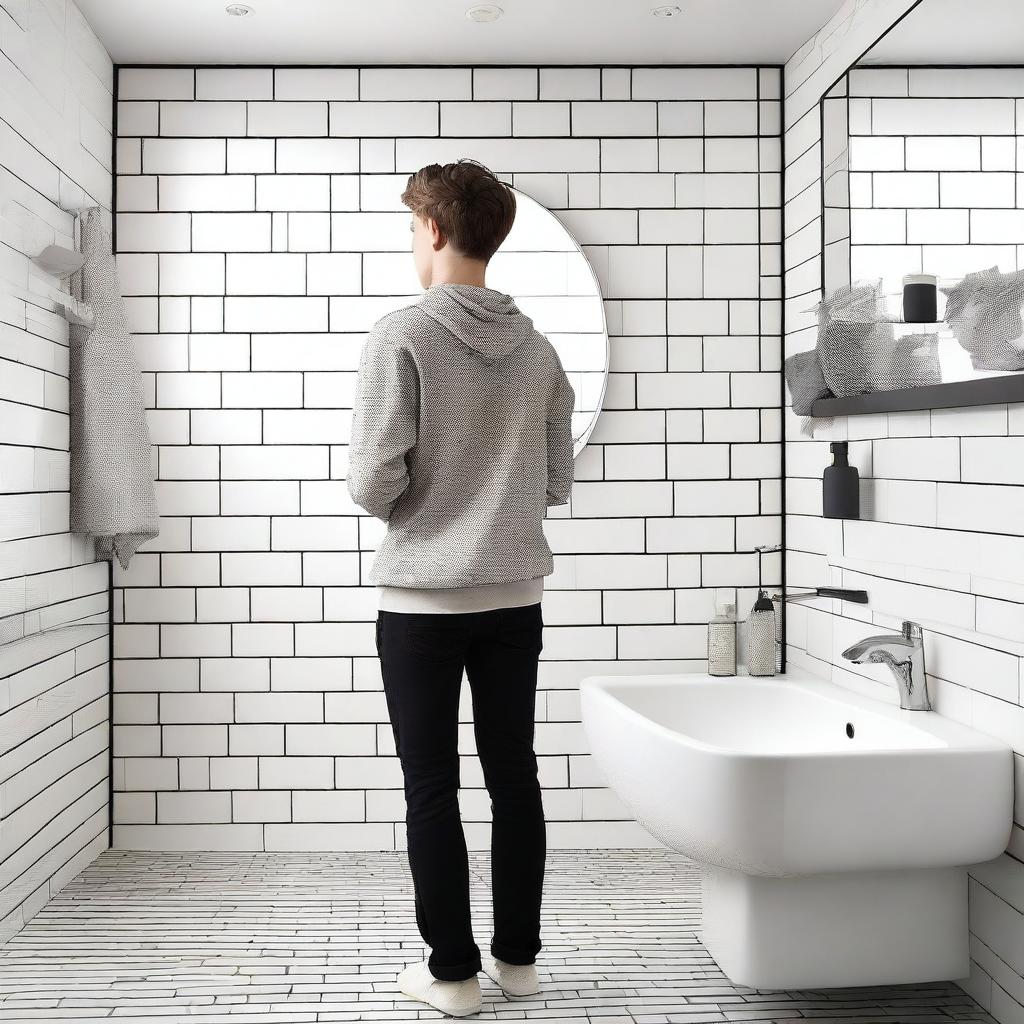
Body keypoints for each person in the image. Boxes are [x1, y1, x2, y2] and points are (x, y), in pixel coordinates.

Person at [346, 158, 575, 1018]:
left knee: (431, 787)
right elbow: (557, 478)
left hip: (421, 606)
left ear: (435, 230)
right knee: (514, 777)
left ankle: (452, 977)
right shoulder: (540, 347)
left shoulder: (401, 335)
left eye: (413, 227)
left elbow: (372, 482)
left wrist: (429, 502)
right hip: (514, 600)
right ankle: (518, 962)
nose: (413, 242)